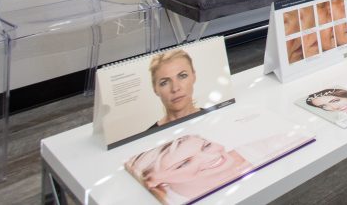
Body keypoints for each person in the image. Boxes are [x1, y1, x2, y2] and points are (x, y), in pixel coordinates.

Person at [125, 131, 310, 204]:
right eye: (184, 163)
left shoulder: (265, 146)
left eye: (206, 146)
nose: (211, 156)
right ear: (154, 181)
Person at [148, 50, 201, 131]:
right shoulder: (149, 136)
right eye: (164, 83)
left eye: (182, 76)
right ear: (155, 89)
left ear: (193, 76)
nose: (175, 88)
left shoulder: (216, 117)